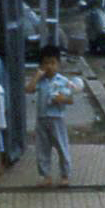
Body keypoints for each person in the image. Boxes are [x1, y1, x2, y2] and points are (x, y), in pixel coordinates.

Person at [25, 45, 73, 186]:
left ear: (58, 64)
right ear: (41, 65)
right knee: (42, 148)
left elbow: (70, 99)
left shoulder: (62, 81)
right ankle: (45, 175)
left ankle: (65, 175)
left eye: (52, 63)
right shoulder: (40, 80)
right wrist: (37, 75)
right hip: (42, 118)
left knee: (61, 147)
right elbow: (28, 89)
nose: (49, 67)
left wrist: (61, 99)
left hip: (56, 118)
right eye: (46, 63)